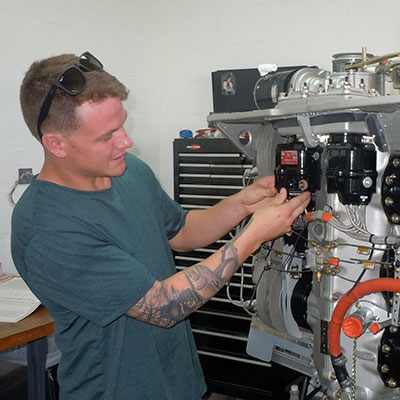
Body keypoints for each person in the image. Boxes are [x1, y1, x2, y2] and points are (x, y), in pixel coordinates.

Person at [11, 51, 310, 400]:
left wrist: (241, 204)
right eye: (107, 136)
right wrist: (254, 234)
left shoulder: (128, 170)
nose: (126, 141)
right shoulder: (47, 229)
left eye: (122, 124)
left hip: (180, 381)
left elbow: (181, 231)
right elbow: (163, 307)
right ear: (56, 144)